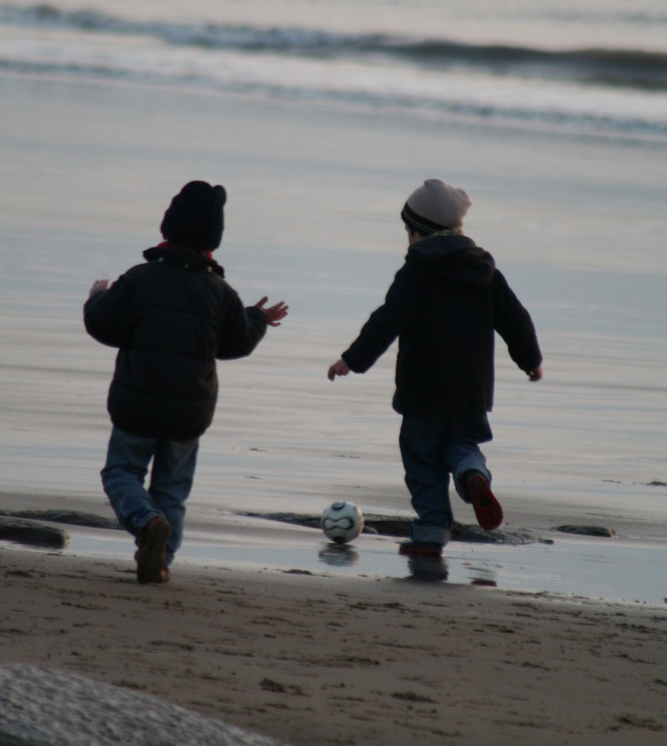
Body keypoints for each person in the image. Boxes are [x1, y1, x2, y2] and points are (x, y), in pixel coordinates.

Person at [84, 180, 288, 583]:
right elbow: (235, 342)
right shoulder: (220, 293)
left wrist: (95, 298)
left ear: (167, 230)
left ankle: (145, 523)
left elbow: (104, 325)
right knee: (172, 490)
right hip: (188, 412)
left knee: (121, 473)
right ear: (214, 242)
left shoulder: (140, 279)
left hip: (137, 404)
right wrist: (259, 319)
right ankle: (160, 562)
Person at [327, 178, 542, 556]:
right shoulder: (486, 273)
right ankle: (471, 473)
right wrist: (531, 360)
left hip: (422, 392)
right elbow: (517, 320)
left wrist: (352, 359)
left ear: (418, 231)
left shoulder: (415, 274)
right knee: (464, 444)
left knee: (422, 460)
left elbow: (387, 321)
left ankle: (430, 530)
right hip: (471, 393)